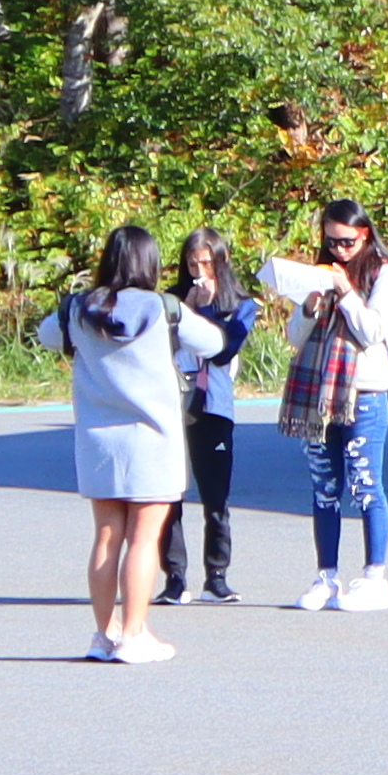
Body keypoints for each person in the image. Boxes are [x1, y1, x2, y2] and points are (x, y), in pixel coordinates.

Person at [38, 223, 223, 664]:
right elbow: (214, 343)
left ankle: (104, 635)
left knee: (106, 537)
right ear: (151, 262)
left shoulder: (78, 309)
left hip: (99, 441)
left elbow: (47, 336)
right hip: (152, 440)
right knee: (143, 540)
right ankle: (135, 635)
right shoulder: (166, 310)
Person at [264, 196, 388, 608]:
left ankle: (374, 578)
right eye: (332, 242)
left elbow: (373, 331)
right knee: (324, 488)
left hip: (365, 392)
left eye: (347, 242)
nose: (339, 250)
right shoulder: (321, 272)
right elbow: (295, 338)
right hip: (319, 394)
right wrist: (310, 307)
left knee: (366, 485)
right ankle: (325, 577)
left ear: (364, 234)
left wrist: (346, 291)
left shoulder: (382, 274)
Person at [156, 230, 257, 608]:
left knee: (216, 496)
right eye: (192, 263)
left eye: (207, 262)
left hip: (214, 407)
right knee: (169, 494)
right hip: (171, 403)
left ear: (221, 260)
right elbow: (158, 343)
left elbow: (223, 350)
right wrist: (186, 309)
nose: (199, 271)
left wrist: (204, 314)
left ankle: (217, 577)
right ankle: (174, 577)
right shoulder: (169, 302)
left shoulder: (241, 303)